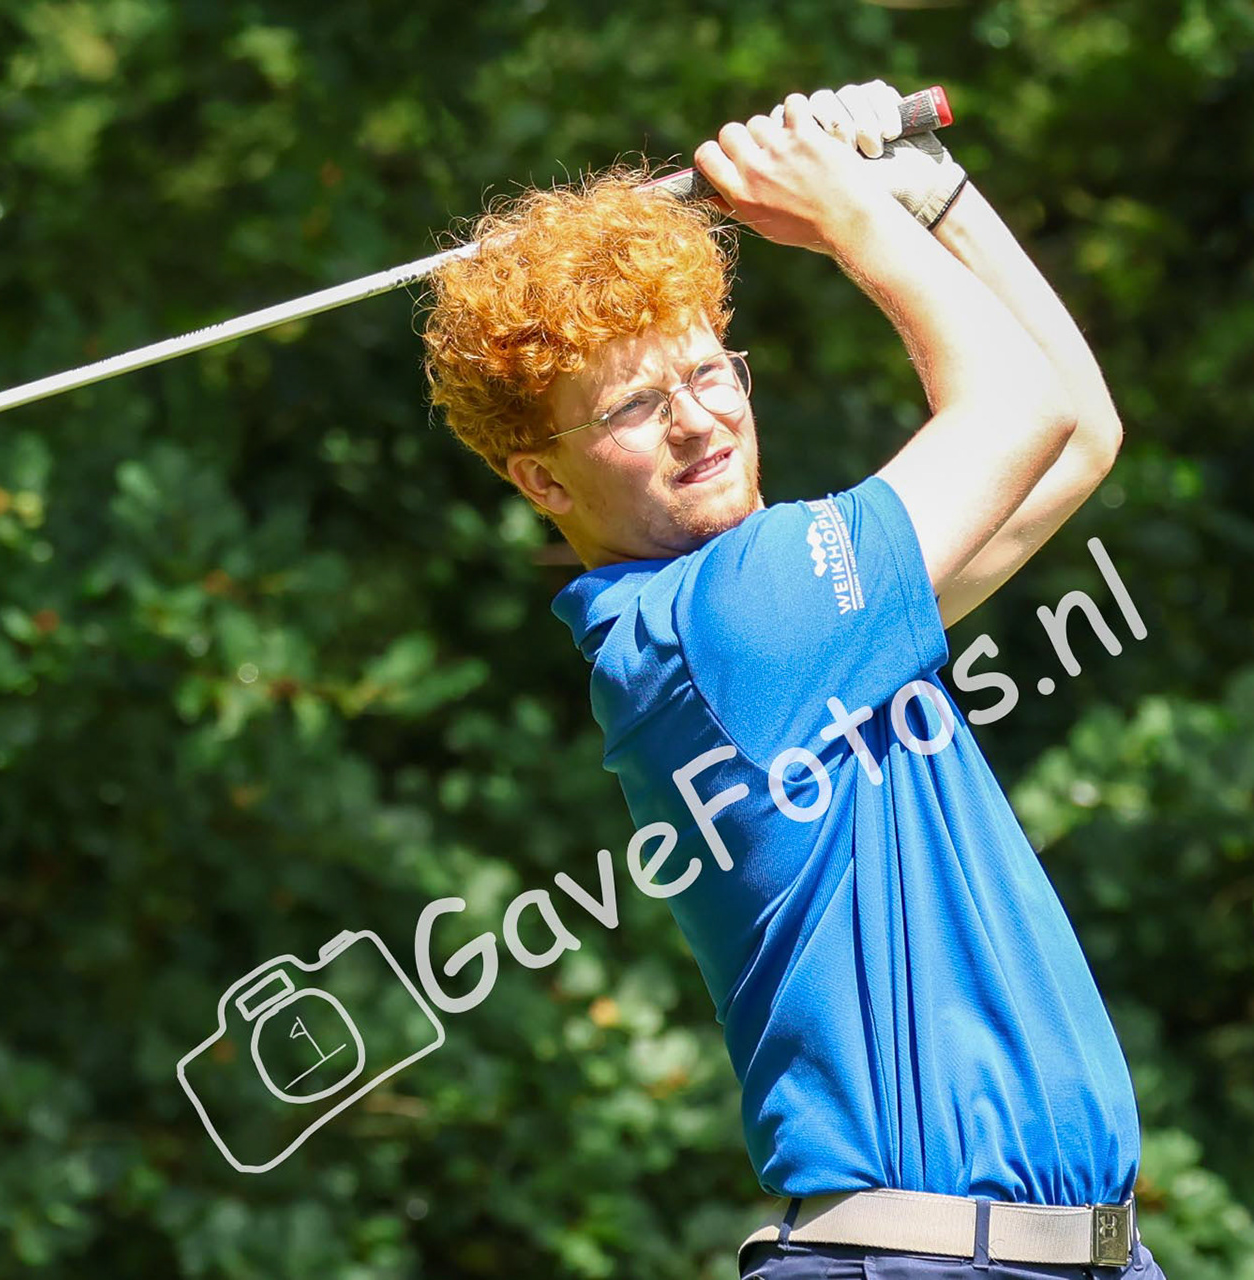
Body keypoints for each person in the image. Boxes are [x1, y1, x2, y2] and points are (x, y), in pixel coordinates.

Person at [421, 81, 1162, 1278]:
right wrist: (852, 214)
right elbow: (1017, 407)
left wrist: (932, 193)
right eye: (633, 405)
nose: (699, 421)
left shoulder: (816, 617)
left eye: (713, 371)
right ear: (543, 481)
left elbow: (1076, 433)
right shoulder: (726, 616)